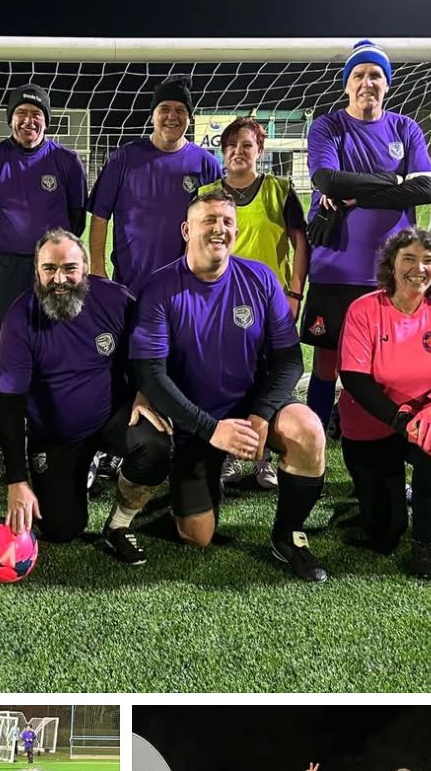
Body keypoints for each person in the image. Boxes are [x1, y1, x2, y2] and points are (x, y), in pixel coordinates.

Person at [131, 190, 329, 581]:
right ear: (187, 230)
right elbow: (150, 374)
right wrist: (211, 430)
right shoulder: (160, 287)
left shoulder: (260, 279)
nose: (219, 229)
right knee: (197, 536)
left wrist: (260, 416)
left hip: (251, 407)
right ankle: (187, 488)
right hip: (195, 421)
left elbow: (290, 361)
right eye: (209, 221)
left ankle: (288, 536)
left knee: (308, 431)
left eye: (227, 222)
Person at [0, 229, 172, 564]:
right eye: (49, 269)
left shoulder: (116, 300)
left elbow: (151, 348)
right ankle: (79, 468)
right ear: (36, 271)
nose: (59, 279)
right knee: (62, 530)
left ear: (87, 267)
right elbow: (10, 406)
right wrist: (17, 481)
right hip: (56, 436)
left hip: (111, 417)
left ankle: (119, 525)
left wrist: (143, 391)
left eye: (69, 268)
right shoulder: (19, 319)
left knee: (155, 445)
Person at [302, 40, 431, 432]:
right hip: (335, 268)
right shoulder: (329, 126)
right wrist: (397, 181)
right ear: (347, 84)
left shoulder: (405, 128)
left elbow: (426, 189)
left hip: (392, 274)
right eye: (358, 75)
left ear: (387, 84)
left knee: (390, 363)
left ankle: (380, 432)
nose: (366, 82)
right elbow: (326, 178)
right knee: (327, 362)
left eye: (375, 75)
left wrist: (350, 197)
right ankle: (318, 433)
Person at [338, 227, 431, 576]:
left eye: (428, 260)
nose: (419, 268)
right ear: (391, 265)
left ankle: (425, 542)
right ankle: (374, 507)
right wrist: (403, 422)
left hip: (425, 417)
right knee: (384, 535)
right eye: (408, 259)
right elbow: (354, 379)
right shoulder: (364, 310)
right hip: (373, 423)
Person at [0, 83, 87, 444]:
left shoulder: (66, 161)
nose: (29, 120)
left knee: (53, 347)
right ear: (11, 119)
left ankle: (48, 429)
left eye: (36, 115)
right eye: (21, 113)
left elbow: (77, 219)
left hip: (53, 274)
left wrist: (48, 259)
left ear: (46, 122)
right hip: (6, 270)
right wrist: (7, 250)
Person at [202, 117, 309, 491]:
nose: (238, 152)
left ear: (259, 151)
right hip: (221, 302)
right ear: (222, 151)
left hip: (272, 302)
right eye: (231, 145)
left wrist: (294, 292)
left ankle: (264, 455)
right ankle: (233, 452)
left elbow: (300, 242)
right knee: (230, 378)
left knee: (270, 377)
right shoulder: (208, 191)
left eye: (246, 145)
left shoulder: (279, 189)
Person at [88, 78, 221, 295]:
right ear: (152, 116)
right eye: (164, 109)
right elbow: (100, 216)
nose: (172, 116)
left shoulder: (205, 164)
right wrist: (97, 270)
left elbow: (217, 223)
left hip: (185, 288)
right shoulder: (124, 158)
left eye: (180, 110)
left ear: (190, 117)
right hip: (129, 287)